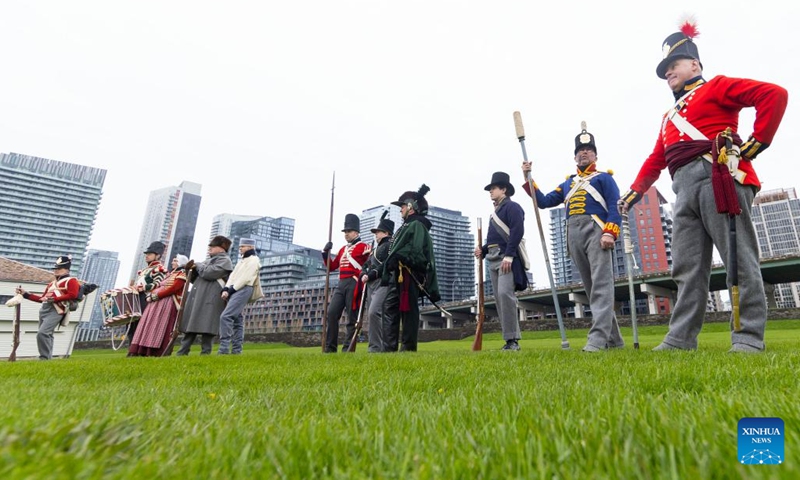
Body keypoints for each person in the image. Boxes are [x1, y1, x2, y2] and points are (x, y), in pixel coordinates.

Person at [617, 19, 787, 352]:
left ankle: (748, 337)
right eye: (665, 69)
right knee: (686, 267)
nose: (668, 73)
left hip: (719, 178)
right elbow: (657, 158)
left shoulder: (717, 87)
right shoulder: (669, 116)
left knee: (738, 259)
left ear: (694, 64)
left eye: (673, 65)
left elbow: (773, 94)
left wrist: (757, 141)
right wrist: (635, 192)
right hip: (683, 189)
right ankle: (680, 339)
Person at [523, 124, 625, 352]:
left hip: (597, 230)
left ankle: (597, 339)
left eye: (588, 149)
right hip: (574, 234)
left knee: (601, 285)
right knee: (591, 288)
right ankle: (615, 341)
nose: (584, 152)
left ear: (595, 155)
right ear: (575, 156)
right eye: (580, 150)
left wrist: (610, 231)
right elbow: (544, 201)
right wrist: (528, 178)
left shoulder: (603, 178)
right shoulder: (568, 183)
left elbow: (613, 206)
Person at [381, 184, 440, 352]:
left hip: (409, 273)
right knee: (390, 307)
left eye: (403, 206)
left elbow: (416, 250)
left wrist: (401, 256)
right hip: (398, 273)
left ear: (411, 208)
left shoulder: (417, 225)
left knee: (408, 310)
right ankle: (389, 349)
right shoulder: (407, 225)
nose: (400, 210)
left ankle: (408, 347)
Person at [474, 172, 528, 351]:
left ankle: (513, 340)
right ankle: (508, 339)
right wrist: (482, 250)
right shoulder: (495, 213)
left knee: (506, 295)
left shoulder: (513, 208)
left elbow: (517, 232)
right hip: (493, 257)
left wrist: (510, 256)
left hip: (506, 257)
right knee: (499, 299)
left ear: (503, 189)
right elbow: (492, 239)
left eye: (494, 188)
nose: (490, 191)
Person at [322, 214, 371, 353]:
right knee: (332, 313)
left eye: (348, 231)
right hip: (341, 283)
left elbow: (370, 261)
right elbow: (332, 266)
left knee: (352, 317)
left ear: (356, 232)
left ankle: (348, 349)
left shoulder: (364, 247)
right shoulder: (343, 249)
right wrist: (325, 253)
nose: (346, 234)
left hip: (354, 283)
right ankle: (330, 348)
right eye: (345, 232)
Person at [177, 235, 233, 355]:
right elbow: (195, 279)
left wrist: (198, 265)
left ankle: (205, 354)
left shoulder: (225, 260)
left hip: (210, 298)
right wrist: (188, 270)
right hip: (198, 297)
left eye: (213, 246)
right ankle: (182, 353)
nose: (210, 248)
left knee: (208, 328)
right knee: (190, 327)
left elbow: (209, 273)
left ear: (222, 248)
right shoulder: (207, 261)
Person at [16, 255, 80, 360]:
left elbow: (73, 295)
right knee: (47, 334)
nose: (56, 271)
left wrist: (55, 299)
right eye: (56, 268)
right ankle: (48, 358)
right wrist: (25, 294)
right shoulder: (52, 284)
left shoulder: (71, 281)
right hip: (44, 310)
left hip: (56, 310)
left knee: (42, 333)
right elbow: (42, 299)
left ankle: (44, 358)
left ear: (67, 270)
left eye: (59, 268)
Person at [128, 254, 189, 357]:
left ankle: (156, 351)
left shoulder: (181, 273)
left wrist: (157, 295)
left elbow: (173, 288)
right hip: (156, 302)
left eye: (175, 260)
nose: (172, 262)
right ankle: (142, 349)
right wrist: (152, 295)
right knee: (149, 324)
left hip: (167, 303)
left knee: (160, 325)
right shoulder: (171, 274)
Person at [218, 238, 263, 354]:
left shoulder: (254, 260)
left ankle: (224, 349)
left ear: (250, 247)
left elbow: (246, 278)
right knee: (237, 320)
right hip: (236, 289)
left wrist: (230, 290)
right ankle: (237, 350)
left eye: (242, 246)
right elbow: (233, 276)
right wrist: (226, 288)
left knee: (226, 316)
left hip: (244, 289)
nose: (240, 249)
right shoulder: (242, 260)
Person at [360, 213, 394, 352]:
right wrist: (363, 273)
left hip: (382, 282)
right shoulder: (375, 249)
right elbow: (366, 264)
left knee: (374, 312)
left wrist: (371, 274)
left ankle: (376, 347)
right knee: (372, 315)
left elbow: (387, 264)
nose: (376, 234)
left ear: (386, 233)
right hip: (370, 284)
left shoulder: (390, 245)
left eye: (378, 232)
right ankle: (375, 346)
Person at [131, 241, 168, 343]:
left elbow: (158, 284)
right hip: (137, 298)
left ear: (157, 256)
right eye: (146, 254)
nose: (146, 256)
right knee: (131, 324)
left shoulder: (159, 269)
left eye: (150, 254)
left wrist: (143, 288)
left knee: (141, 324)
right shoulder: (145, 270)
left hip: (147, 299)